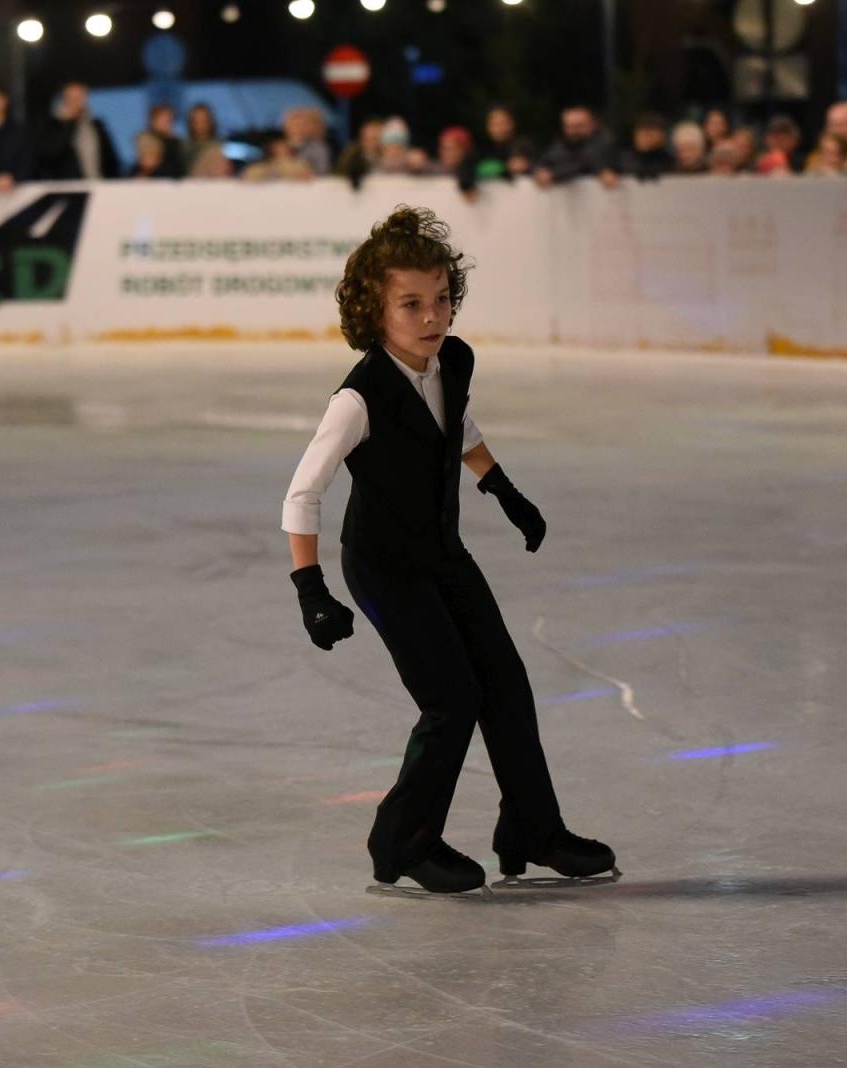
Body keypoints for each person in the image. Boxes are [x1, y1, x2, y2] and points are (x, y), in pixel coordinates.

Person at [281, 206, 618, 897]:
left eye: (441, 300)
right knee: (451, 700)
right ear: (374, 309)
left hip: (442, 551)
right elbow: (301, 493)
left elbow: (455, 422)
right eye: (411, 304)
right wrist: (310, 589)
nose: (431, 317)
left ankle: (532, 829)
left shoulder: (452, 361)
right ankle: (402, 840)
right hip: (382, 566)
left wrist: (501, 486)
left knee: (506, 686)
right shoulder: (359, 397)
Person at [37, 81, 122, 180]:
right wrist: (69, 123)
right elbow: (51, 154)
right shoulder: (52, 125)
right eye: (72, 98)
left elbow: (111, 159)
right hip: (68, 187)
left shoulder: (96, 125)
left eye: (79, 97)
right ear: (64, 99)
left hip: (98, 185)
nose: (76, 101)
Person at [532, 105, 619, 189]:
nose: (573, 131)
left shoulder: (604, 143)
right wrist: (540, 171)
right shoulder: (562, 144)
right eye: (569, 127)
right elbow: (544, 160)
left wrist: (554, 174)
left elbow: (584, 163)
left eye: (579, 126)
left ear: (593, 124)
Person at [469, 105, 534, 181]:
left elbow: (541, 166)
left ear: (512, 124)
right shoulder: (479, 148)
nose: (501, 128)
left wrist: (527, 166)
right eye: (495, 124)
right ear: (488, 126)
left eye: (504, 122)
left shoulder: (524, 146)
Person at [619, 112, 672, 180]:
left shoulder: (668, 160)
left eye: (650, 133)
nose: (645, 138)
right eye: (641, 133)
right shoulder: (623, 159)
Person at [336, 117, 385, 188]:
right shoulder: (352, 157)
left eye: (377, 139)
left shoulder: (394, 158)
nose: (374, 144)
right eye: (369, 139)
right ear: (362, 140)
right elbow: (338, 178)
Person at [240, 135, 313, 181]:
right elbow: (248, 175)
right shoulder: (265, 166)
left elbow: (308, 176)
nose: (280, 151)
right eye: (277, 149)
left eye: (283, 148)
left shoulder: (300, 163)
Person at [284, 105, 332, 175]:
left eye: (302, 124)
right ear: (286, 127)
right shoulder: (278, 148)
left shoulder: (318, 149)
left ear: (308, 127)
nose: (298, 128)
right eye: (294, 124)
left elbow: (322, 172)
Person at [142, 103, 186, 178]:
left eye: (170, 120)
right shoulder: (146, 140)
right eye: (163, 119)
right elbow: (148, 164)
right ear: (153, 121)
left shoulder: (176, 143)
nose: (167, 123)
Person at [182, 102, 223, 176]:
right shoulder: (183, 146)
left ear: (210, 121)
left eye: (203, 120)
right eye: (196, 121)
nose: (200, 124)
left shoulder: (218, 147)